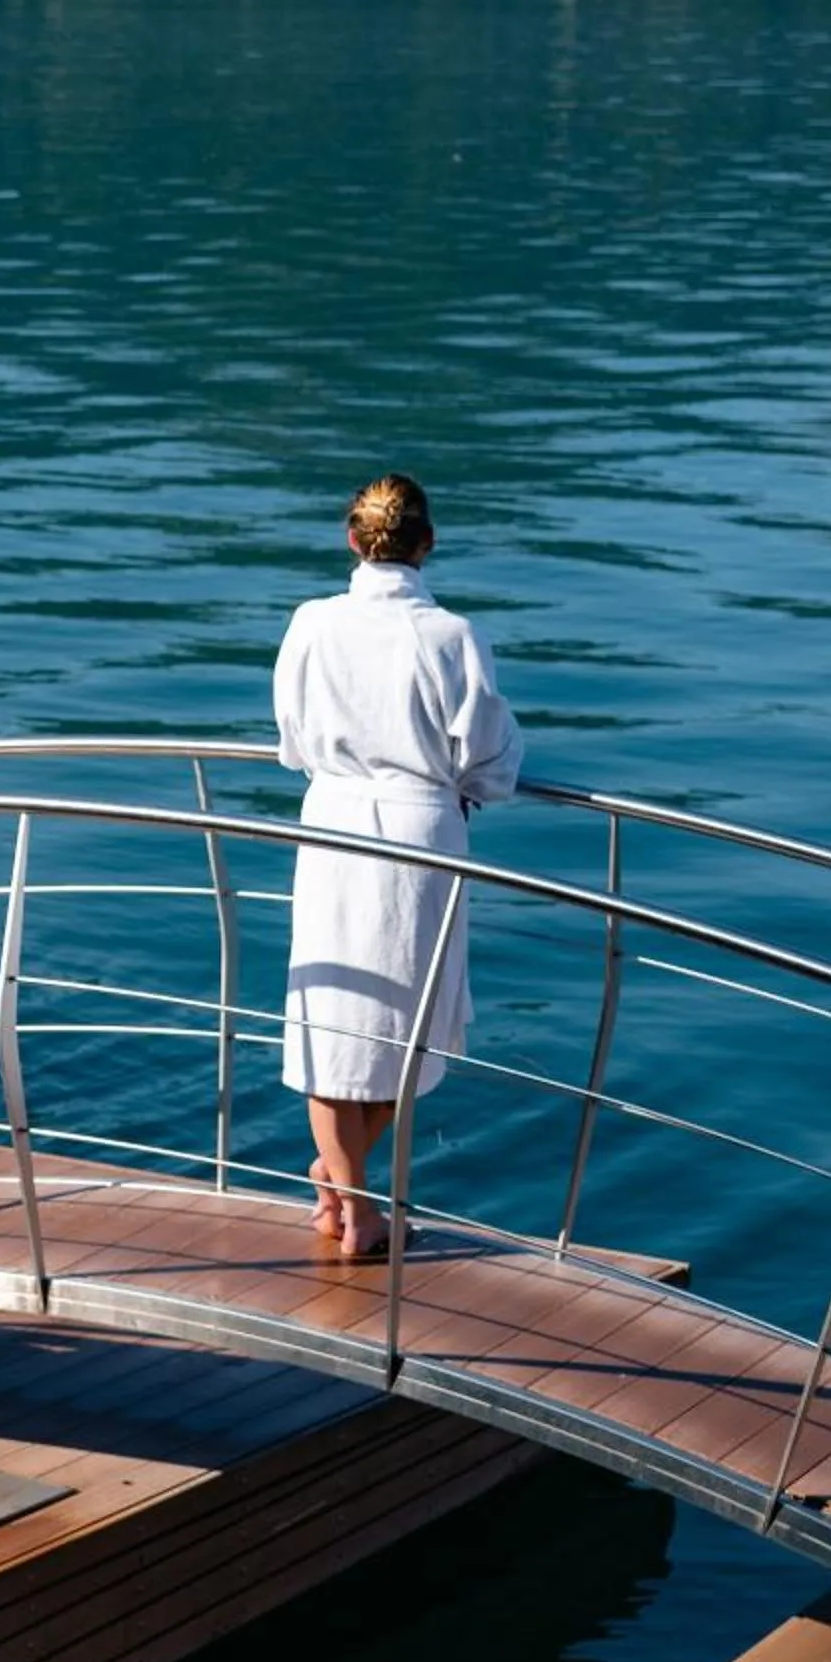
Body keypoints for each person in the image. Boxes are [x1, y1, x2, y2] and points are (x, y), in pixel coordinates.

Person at [273, 473, 522, 1258]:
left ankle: (342, 1191)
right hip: (420, 834)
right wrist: (471, 782)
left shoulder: (311, 623)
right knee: (413, 1021)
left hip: (333, 822)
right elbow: (488, 756)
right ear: (428, 543)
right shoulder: (452, 635)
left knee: (332, 1020)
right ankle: (357, 1208)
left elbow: (293, 741)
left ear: (352, 540)